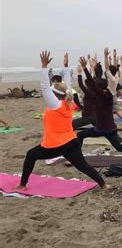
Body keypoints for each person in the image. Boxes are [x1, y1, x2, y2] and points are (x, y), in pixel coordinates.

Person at [16, 51, 109, 190]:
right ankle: (103, 184)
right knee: (83, 166)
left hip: (55, 145)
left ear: (54, 94)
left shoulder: (55, 105)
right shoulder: (68, 101)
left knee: (30, 155)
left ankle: (22, 185)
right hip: (71, 142)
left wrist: (43, 66)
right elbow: (68, 86)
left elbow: (45, 87)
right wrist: (65, 67)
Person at [76, 56, 122, 152]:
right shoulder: (109, 94)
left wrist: (84, 69)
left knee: (79, 135)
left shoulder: (101, 96)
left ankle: (78, 155)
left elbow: (91, 84)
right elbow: (100, 83)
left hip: (101, 129)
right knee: (120, 148)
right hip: (112, 128)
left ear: (99, 89)